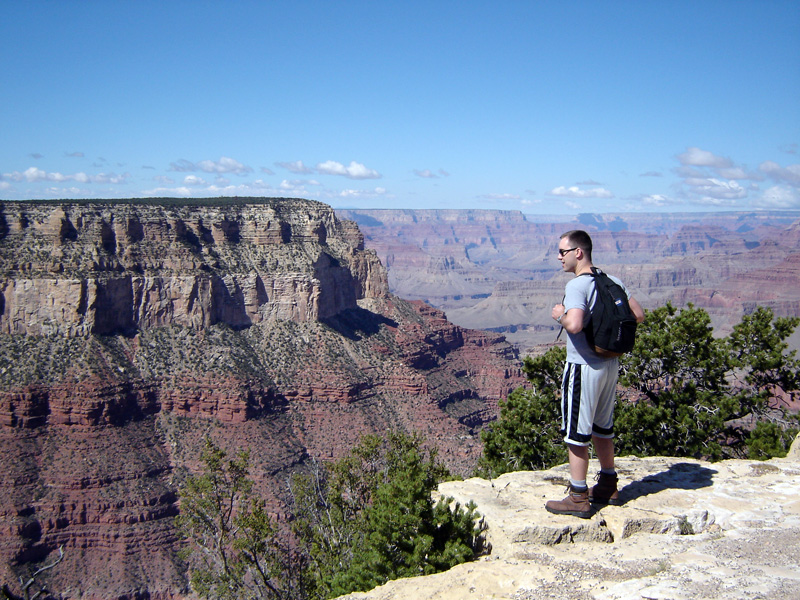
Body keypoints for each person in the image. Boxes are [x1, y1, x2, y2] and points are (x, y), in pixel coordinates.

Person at [546, 230, 645, 518]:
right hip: (609, 364)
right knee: (603, 426)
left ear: (579, 252)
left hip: (583, 367)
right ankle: (608, 484)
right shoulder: (612, 281)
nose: (558, 257)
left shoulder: (578, 285)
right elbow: (637, 315)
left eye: (562, 252)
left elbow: (574, 325)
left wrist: (559, 315)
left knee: (576, 432)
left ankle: (578, 496)